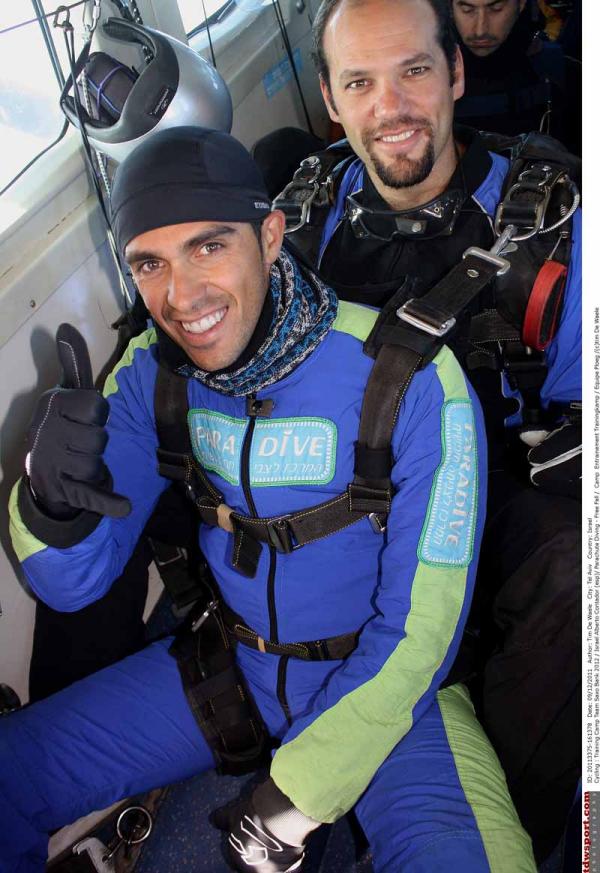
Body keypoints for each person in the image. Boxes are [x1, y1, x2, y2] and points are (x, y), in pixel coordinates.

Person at [1, 126, 536, 873]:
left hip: (391, 693)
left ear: (271, 236)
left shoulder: (410, 378)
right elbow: (73, 586)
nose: (182, 296)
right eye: (150, 262)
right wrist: (49, 505)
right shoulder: (153, 373)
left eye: (209, 246)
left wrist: (299, 794)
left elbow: (422, 632)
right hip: (233, 669)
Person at [261, 0, 581, 859]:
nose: (391, 107)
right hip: (346, 485)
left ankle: (504, 805)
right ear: (331, 99)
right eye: (361, 82)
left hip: (494, 481)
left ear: (456, 74)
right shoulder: (299, 220)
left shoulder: (553, 218)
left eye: (413, 71)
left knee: (574, 564)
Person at [451, 0, 580, 153]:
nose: (480, 30)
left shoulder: (564, 73)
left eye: (496, 9)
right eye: (467, 10)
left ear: (521, 3)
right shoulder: (431, 75)